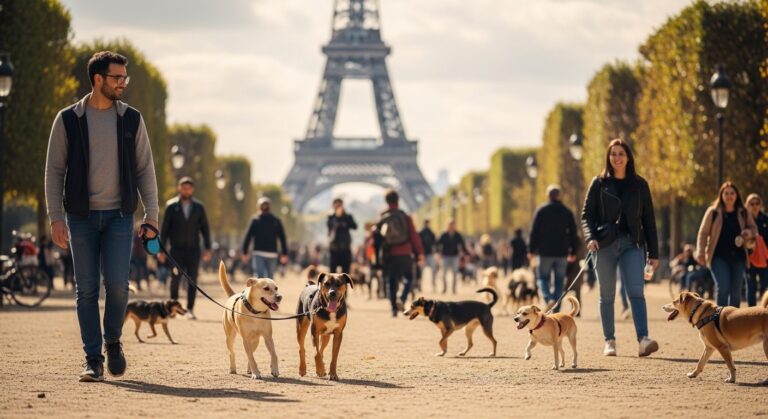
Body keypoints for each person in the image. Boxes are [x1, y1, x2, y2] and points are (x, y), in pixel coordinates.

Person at [45, 51, 159, 381]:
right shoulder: (68, 119)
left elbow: (145, 169)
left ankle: (112, 341)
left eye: (125, 77)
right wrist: (55, 216)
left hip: (120, 217)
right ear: (98, 80)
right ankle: (92, 359)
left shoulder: (132, 119)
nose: (123, 82)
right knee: (87, 291)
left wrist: (152, 214)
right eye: (117, 77)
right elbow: (54, 171)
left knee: (119, 287)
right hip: (80, 217)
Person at [581, 138, 659, 357]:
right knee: (606, 295)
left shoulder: (640, 185)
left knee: (636, 291)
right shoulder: (599, 183)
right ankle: (610, 340)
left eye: (621, 154)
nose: (617, 158)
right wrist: (590, 238)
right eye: (613, 154)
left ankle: (643, 339)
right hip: (604, 244)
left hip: (632, 244)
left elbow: (649, 220)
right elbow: (586, 215)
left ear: (628, 157)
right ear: (608, 157)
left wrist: (654, 253)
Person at [695, 182, 757, 308]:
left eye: (732, 193)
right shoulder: (713, 212)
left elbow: (754, 229)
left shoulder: (743, 212)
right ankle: (720, 321)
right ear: (721, 195)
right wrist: (700, 252)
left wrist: (748, 232)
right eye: (726, 193)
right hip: (718, 257)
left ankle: (733, 323)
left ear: (737, 195)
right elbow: (703, 233)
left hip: (738, 257)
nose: (729, 196)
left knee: (736, 292)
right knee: (723, 287)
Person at [161, 177, 212, 320]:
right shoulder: (171, 206)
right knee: (175, 278)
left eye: (189, 188)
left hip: (193, 250)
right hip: (175, 250)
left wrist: (208, 248)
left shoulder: (199, 207)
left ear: (192, 190)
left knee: (192, 280)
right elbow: (164, 230)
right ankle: (173, 308)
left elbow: (205, 229)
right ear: (179, 188)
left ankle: (190, 309)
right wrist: (161, 250)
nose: (186, 190)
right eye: (184, 187)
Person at [528, 185, 579, 312]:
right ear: (559, 195)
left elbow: (534, 232)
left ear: (548, 195)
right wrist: (573, 251)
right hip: (562, 252)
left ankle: (548, 298)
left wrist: (531, 250)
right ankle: (556, 308)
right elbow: (574, 233)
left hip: (544, 252)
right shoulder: (567, 212)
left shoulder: (541, 210)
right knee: (559, 282)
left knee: (542, 278)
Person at [374, 189, 424, 317]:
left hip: (389, 253)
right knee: (409, 278)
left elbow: (376, 239)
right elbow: (413, 236)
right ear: (398, 200)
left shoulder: (383, 217)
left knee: (391, 280)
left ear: (386, 201)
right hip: (405, 252)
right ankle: (401, 298)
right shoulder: (405, 216)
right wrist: (420, 253)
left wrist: (377, 259)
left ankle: (393, 310)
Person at [241, 197, 288, 279]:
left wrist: (245, 252)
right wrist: (284, 253)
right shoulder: (276, 220)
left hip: (259, 253)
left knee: (260, 278)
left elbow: (248, 237)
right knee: (270, 278)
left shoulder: (255, 220)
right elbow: (282, 238)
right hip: (271, 253)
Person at [745, 193, 768, 306]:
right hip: (749, 259)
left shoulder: (766, 219)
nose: (754, 206)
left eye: (757, 203)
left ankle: (764, 313)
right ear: (747, 205)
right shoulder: (744, 220)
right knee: (751, 286)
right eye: (751, 203)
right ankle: (751, 313)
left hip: (765, 259)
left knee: (765, 286)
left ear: (760, 205)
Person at [436, 220, 469, 294]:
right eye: (450, 225)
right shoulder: (443, 234)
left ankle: (454, 289)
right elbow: (437, 244)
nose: (451, 226)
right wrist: (438, 253)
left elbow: (462, 245)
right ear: (447, 225)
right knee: (443, 273)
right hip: (445, 256)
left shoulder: (458, 235)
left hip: (455, 256)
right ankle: (444, 288)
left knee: (455, 273)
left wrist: (466, 254)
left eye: (453, 225)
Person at [327, 198, 357, 274]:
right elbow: (330, 227)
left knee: (345, 273)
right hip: (334, 248)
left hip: (345, 249)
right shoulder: (331, 217)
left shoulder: (348, 217)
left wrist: (345, 223)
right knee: (332, 273)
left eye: (339, 205)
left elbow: (354, 226)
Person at [418, 219, 438, 292]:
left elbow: (435, 243)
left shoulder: (431, 233)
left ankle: (433, 285)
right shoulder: (420, 233)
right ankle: (419, 285)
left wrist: (435, 252)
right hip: (423, 255)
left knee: (433, 270)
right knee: (421, 272)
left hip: (429, 254)